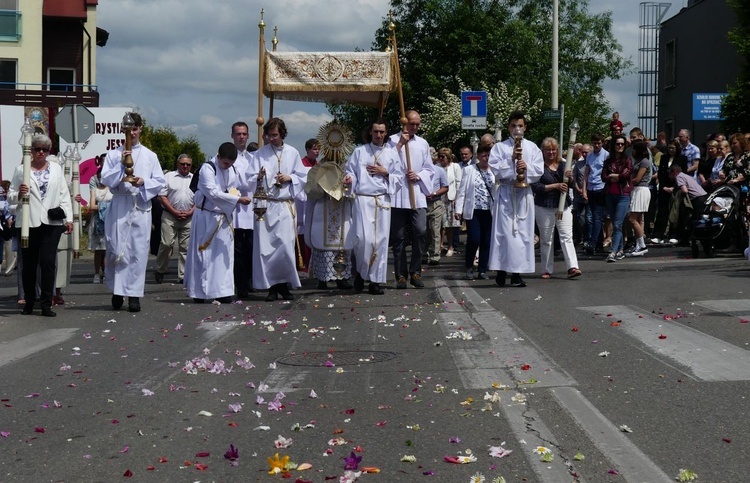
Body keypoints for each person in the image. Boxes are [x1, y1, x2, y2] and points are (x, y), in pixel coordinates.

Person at [100, 112, 166, 313]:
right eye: (128, 130)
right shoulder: (113, 154)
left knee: (138, 252)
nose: (132, 133)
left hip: (139, 205)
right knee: (117, 249)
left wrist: (144, 182)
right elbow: (106, 180)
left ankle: (135, 295)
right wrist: (121, 165)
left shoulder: (149, 156)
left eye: (135, 129)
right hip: (120, 205)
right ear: (123, 130)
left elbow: (161, 182)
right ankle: (118, 291)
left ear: (140, 129)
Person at [8, 134, 73, 317]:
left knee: (47, 263)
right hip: (28, 222)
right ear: (31, 151)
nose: (41, 152)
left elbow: (63, 194)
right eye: (37, 149)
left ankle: (46, 303)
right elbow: (10, 197)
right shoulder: (21, 170)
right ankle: (29, 302)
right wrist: (19, 195)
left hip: (51, 222)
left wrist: (68, 219)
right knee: (29, 265)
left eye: (45, 149)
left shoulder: (56, 169)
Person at [250, 117, 307, 301]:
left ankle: (284, 285)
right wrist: (258, 177)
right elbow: (248, 178)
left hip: (284, 205)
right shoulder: (260, 154)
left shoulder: (292, 152)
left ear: (282, 133)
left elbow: (302, 177)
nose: (270, 139)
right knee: (266, 249)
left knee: (284, 247)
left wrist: (290, 178)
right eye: (268, 135)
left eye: (274, 135)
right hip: (267, 206)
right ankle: (271, 287)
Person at [185, 143, 250, 303]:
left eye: (231, 164)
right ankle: (199, 292)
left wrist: (236, 195)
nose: (227, 166)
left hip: (224, 216)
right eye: (225, 163)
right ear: (219, 157)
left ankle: (222, 290)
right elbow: (212, 192)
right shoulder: (207, 169)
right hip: (206, 215)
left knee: (223, 254)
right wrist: (236, 199)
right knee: (203, 254)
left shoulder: (232, 169)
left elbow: (234, 187)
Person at [344, 118, 403, 295]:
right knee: (363, 239)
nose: (378, 135)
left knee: (381, 242)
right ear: (370, 132)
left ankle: (375, 281)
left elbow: (399, 179)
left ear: (386, 133)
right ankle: (361, 274)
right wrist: (349, 179)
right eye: (375, 131)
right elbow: (350, 171)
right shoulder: (359, 151)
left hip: (382, 200)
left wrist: (385, 173)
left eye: (382, 132)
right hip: (363, 200)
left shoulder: (392, 153)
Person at [487, 110, 543, 287]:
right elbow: (495, 169)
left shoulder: (532, 147)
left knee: (522, 234)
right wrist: (510, 160)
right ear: (508, 127)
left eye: (520, 125)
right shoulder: (500, 147)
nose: (517, 129)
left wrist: (526, 168)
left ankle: (517, 273)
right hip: (505, 193)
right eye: (513, 126)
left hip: (523, 195)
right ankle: (501, 271)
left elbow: (538, 170)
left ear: (525, 127)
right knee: (504, 234)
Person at [387, 110, 434, 289]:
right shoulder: (391, 140)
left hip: (417, 194)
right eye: (411, 124)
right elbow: (386, 162)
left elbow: (430, 169)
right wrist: (400, 144)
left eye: (417, 124)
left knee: (420, 231)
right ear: (404, 122)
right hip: (399, 194)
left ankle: (415, 271)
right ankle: (401, 275)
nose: (414, 127)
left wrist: (419, 175)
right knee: (398, 237)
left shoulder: (422, 143)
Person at [304, 141, 353, 291]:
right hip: (323, 208)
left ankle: (342, 277)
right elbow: (310, 190)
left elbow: (354, 187)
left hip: (342, 209)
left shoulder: (347, 167)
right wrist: (322, 184)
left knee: (341, 243)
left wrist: (348, 185)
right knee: (322, 243)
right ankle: (322, 277)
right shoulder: (318, 168)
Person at [532, 137, 581, 279]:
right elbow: (536, 186)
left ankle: (572, 266)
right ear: (543, 151)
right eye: (548, 150)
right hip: (544, 206)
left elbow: (571, 184)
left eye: (553, 149)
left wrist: (570, 178)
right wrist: (554, 186)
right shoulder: (538, 166)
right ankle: (546, 268)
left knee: (566, 236)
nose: (551, 152)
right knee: (547, 239)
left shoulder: (563, 165)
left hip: (563, 205)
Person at [455, 143, 495, 280]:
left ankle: (482, 270)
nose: (486, 158)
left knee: (486, 241)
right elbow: (462, 191)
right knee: (474, 238)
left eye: (488, 155)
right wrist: (458, 210)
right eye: (483, 155)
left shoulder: (494, 171)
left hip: (489, 211)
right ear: (477, 156)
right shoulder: (469, 170)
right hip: (474, 210)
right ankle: (469, 266)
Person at [155, 154, 194, 284]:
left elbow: (200, 198)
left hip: (189, 216)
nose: (185, 166)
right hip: (170, 215)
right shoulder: (169, 177)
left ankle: (183, 275)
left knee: (186, 248)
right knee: (166, 244)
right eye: (183, 164)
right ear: (177, 164)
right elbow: (162, 196)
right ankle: (161, 269)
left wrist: (189, 212)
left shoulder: (195, 178)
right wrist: (174, 211)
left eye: (188, 164)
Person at [228, 122, 256, 298]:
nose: (241, 137)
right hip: (235, 207)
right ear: (232, 136)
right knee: (236, 250)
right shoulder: (227, 157)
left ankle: (249, 280)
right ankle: (239, 284)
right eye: (238, 134)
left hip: (251, 209)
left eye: (244, 134)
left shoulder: (253, 159)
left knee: (250, 248)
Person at [602, 134, 632, 262]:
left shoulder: (627, 160)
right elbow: (603, 176)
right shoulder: (608, 161)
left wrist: (617, 176)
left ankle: (613, 252)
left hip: (623, 195)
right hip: (610, 194)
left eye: (622, 144)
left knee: (618, 224)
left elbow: (626, 174)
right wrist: (613, 176)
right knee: (615, 223)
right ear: (613, 145)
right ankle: (620, 250)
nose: (620, 146)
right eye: (617, 144)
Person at [652, 140, 688, 244]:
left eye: (673, 148)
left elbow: (683, 175)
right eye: (669, 148)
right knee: (662, 211)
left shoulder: (682, 159)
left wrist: (674, 187)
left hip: (675, 188)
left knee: (675, 212)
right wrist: (663, 186)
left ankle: (674, 234)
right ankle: (658, 234)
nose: (671, 150)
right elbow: (661, 174)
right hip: (664, 187)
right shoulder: (664, 158)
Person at [663, 164, 708, 245]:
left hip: (698, 200)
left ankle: (692, 240)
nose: (669, 176)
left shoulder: (679, 177)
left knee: (694, 220)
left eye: (670, 173)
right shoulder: (685, 176)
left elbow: (685, 190)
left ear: (674, 173)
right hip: (704, 197)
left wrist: (675, 192)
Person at [582, 133, 609, 254]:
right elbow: (586, 173)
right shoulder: (590, 156)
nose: (597, 145)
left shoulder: (606, 155)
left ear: (602, 143)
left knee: (597, 216)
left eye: (599, 143)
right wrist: (584, 189)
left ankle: (593, 243)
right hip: (591, 187)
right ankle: (598, 244)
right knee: (593, 216)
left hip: (600, 187)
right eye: (595, 143)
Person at [297, 138, 320, 272]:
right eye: (314, 149)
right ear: (307, 150)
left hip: (314, 202)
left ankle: (312, 264)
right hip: (303, 203)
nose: (317, 152)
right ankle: (303, 263)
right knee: (302, 232)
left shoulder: (318, 165)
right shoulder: (301, 164)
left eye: (318, 149)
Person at [626, 140, 652, 257]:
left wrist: (624, 181)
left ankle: (642, 245)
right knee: (636, 219)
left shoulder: (645, 162)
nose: (633, 151)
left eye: (635, 149)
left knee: (632, 219)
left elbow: (637, 179)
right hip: (636, 190)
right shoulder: (638, 161)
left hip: (641, 190)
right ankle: (638, 245)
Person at [88, 164, 112, 284]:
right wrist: (107, 207)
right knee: (98, 250)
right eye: (99, 176)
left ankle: (107, 272)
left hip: (110, 221)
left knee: (108, 249)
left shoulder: (112, 190)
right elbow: (92, 206)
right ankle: (97, 273)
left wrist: (103, 207)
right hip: (97, 222)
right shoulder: (95, 190)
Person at [425, 150, 448, 265]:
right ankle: (424, 253)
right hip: (422, 204)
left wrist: (434, 193)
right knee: (423, 231)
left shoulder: (439, 171)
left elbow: (445, 187)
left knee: (435, 230)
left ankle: (435, 255)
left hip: (435, 203)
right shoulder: (419, 171)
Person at [440, 147, 462, 258]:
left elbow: (459, 184)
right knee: (439, 224)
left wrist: (458, 200)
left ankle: (450, 246)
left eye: (443, 157)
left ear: (448, 158)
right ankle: (439, 245)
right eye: (439, 156)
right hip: (439, 198)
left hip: (451, 198)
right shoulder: (437, 167)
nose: (441, 159)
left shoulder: (455, 167)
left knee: (449, 225)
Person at [571, 143, 589, 246]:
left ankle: (587, 238)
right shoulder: (578, 164)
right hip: (578, 196)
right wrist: (579, 190)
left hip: (589, 195)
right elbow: (574, 179)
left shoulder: (591, 163)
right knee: (577, 216)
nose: (584, 154)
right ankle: (580, 237)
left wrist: (586, 191)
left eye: (586, 152)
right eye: (583, 152)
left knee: (588, 218)